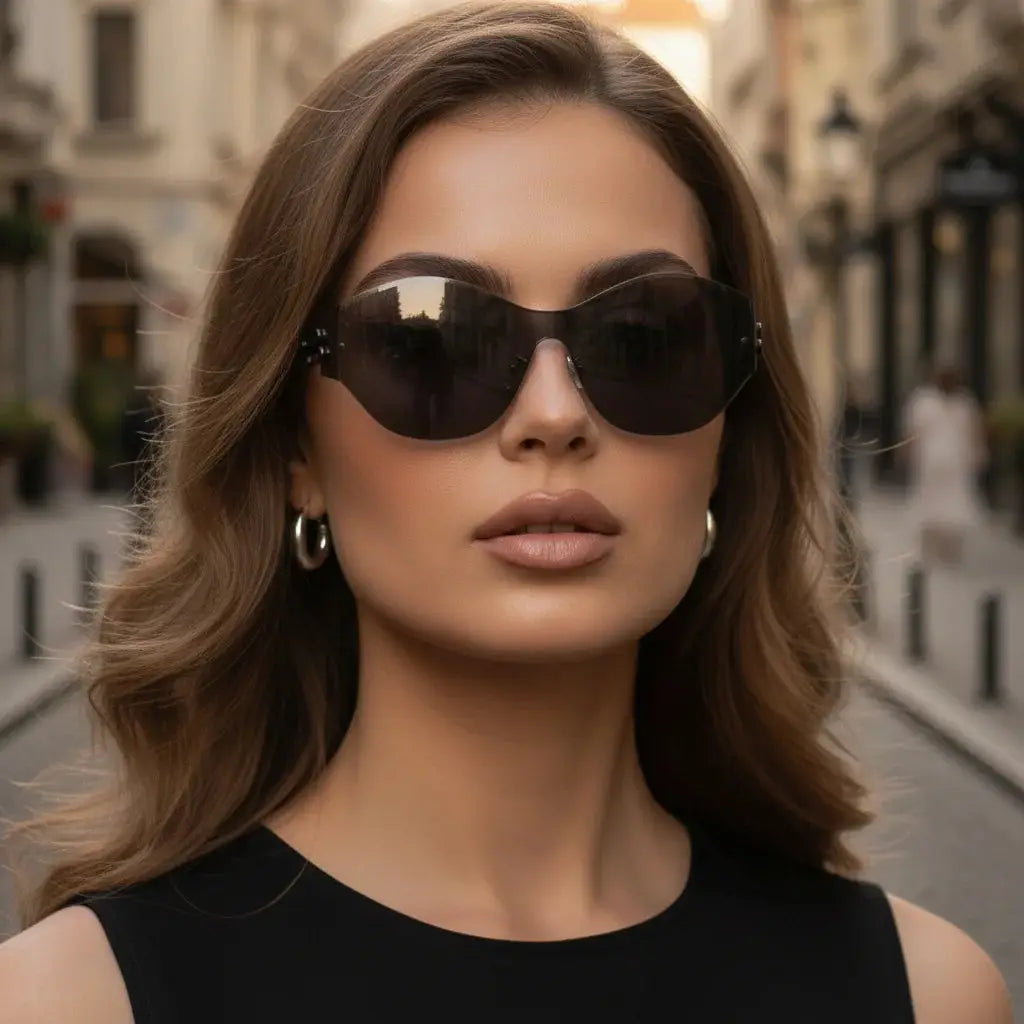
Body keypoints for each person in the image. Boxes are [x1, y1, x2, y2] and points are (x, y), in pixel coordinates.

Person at [0, 3, 1011, 1022]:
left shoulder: (926, 996)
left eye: (643, 337)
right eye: (429, 340)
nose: (554, 414)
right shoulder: (70, 1001)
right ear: (294, 449)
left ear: (727, 437)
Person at [902, 364, 988, 565]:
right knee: (939, 499)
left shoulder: (957, 403)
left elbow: (973, 432)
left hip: (949, 459)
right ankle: (940, 546)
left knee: (948, 499)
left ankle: (943, 546)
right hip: (938, 459)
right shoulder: (930, 402)